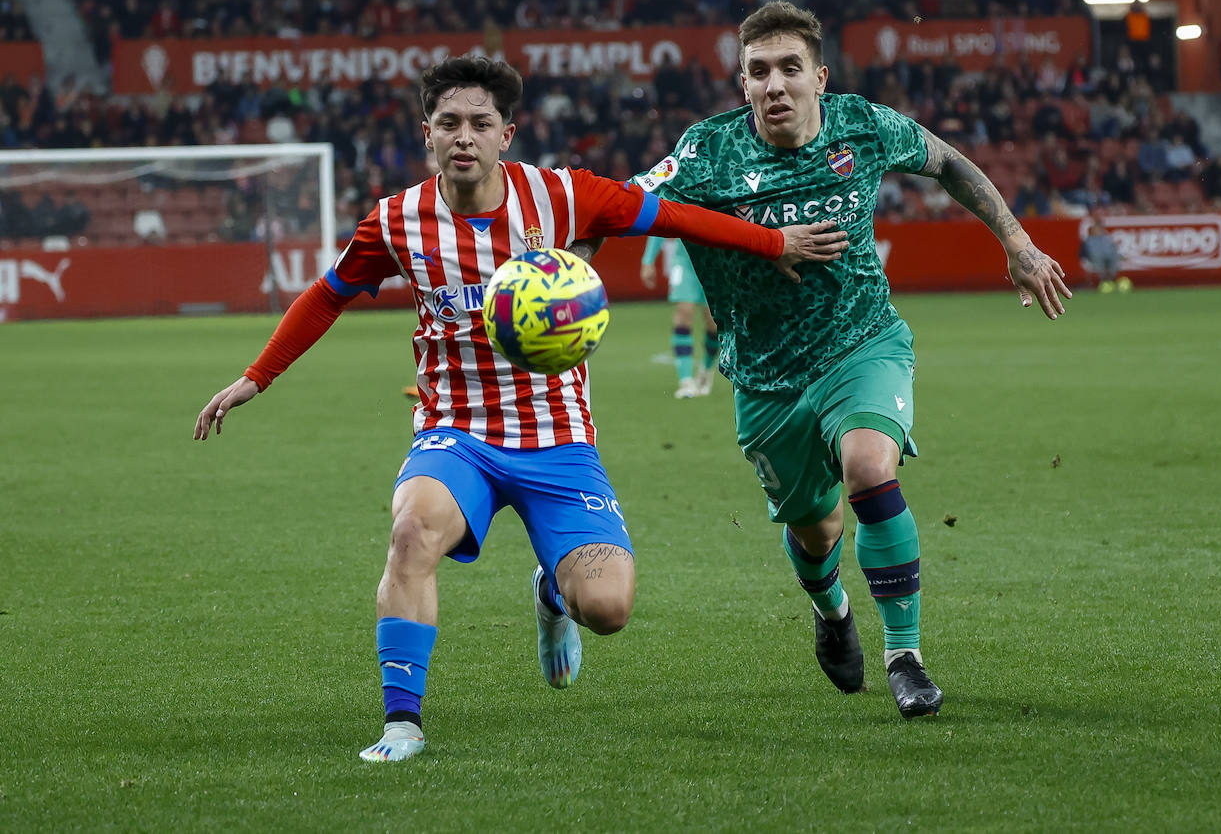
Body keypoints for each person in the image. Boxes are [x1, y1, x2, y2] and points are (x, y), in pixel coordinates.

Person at [192, 55, 849, 763]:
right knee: (412, 534)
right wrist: (258, 375)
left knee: (609, 610)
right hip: (456, 434)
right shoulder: (396, 222)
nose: (464, 136)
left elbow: (674, 217)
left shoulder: (564, 196)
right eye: (449, 123)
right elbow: (328, 294)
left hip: (559, 440)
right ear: (427, 134)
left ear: (509, 133)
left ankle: (552, 591)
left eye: (480, 123)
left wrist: (775, 241)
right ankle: (402, 724)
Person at [629, 1, 1071, 719]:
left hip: (862, 343)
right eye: (759, 72)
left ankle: (905, 655)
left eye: (789, 69)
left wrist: (1017, 245)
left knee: (870, 466)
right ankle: (832, 611)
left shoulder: (863, 126)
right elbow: (619, 207)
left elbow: (950, 162)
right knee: (816, 528)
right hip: (767, 378)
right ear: (742, 84)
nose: (775, 85)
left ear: (820, 77)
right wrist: (563, 268)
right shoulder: (705, 152)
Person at [640, 236, 719, 398]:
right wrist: (648, 260)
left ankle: (706, 368)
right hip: (684, 262)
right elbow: (661, 219)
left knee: (714, 323)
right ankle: (686, 380)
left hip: (715, 264)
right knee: (684, 312)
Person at [1079, 214, 1131, 292]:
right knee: (1098, 259)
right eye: (1096, 229)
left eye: (1100, 229)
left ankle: (1112, 281)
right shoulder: (1088, 241)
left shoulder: (1107, 239)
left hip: (1108, 258)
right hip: (1095, 259)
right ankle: (1103, 282)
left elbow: (1114, 250)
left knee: (1114, 259)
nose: (1098, 230)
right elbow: (1084, 253)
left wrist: (1119, 256)